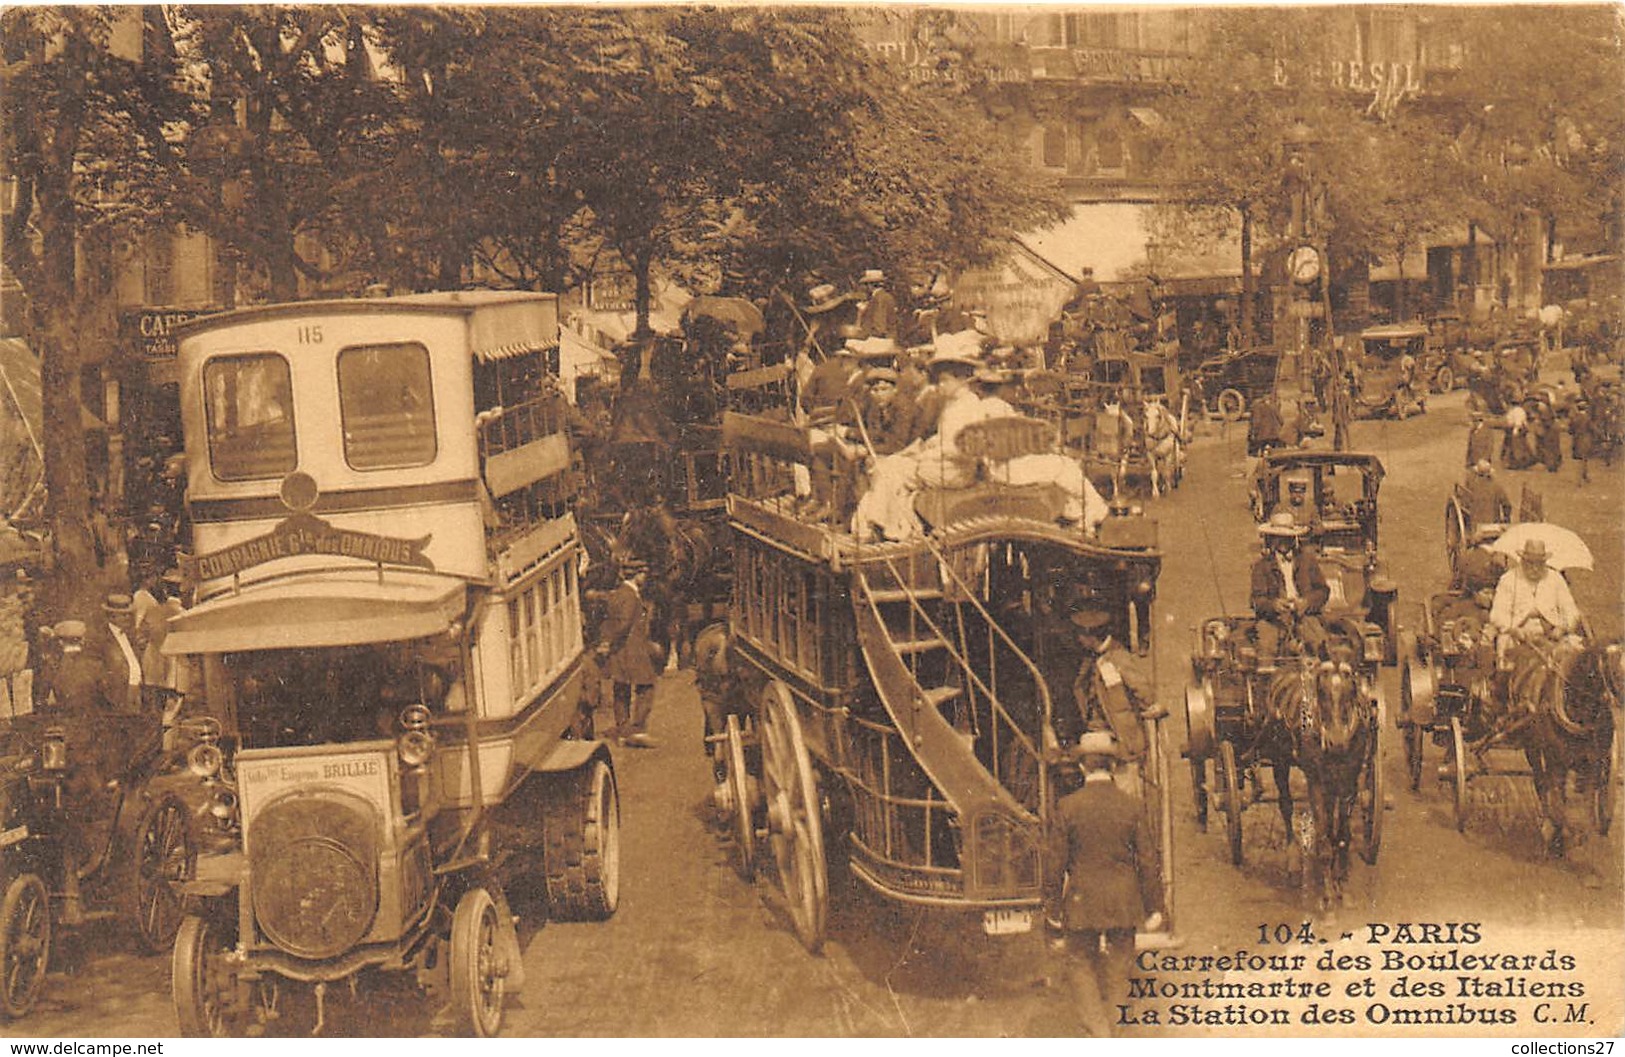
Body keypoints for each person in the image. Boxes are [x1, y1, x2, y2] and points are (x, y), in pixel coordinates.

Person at [1044, 731, 1162, 1037]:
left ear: (1083, 767)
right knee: (1121, 961)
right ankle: (1117, 1027)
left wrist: (1053, 910)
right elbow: (1148, 861)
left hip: (1082, 901)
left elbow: (1055, 864)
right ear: (1112, 767)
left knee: (1079, 960)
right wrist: (1154, 908)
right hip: (1124, 900)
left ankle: (1098, 1030)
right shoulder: (1132, 806)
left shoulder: (1067, 807)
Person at [1057, 607, 1156, 761]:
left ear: (1091, 636)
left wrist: (1147, 708)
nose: (1079, 640)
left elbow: (1144, 691)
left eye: (1081, 636)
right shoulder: (1090, 660)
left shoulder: (1118, 657)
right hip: (1097, 730)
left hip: (1119, 736)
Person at [1250, 512, 1330, 669]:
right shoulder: (1261, 566)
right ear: (1271, 540)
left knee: (1321, 644)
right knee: (1266, 648)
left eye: (1286, 537)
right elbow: (1256, 600)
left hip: (1305, 616)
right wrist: (1274, 605)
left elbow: (1323, 591)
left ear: (1294, 538)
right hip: (1273, 620)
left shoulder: (1308, 560)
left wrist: (1306, 602)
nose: (1282, 542)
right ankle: (1266, 688)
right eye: (1277, 537)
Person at [597, 559, 660, 748]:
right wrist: (611, 641)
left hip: (620, 651)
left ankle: (623, 731)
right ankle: (638, 731)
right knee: (646, 687)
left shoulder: (618, 594)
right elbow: (624, 623)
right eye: (643, 574)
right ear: (636, 575)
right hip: (633, 650)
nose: (645, 577)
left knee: (621, 689)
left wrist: (607, 642)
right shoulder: (631, 596)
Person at [1488, 538, 1581, 648]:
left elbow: (1571, 610)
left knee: (1575, 649)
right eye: (1530, 563)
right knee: (1504, 645)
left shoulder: (1555, 578)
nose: (1535, 568)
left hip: (1551, 634)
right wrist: (1513, 629)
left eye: (1539, 563)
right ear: (1522, 560)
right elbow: (1498, 614)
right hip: (1518, 634)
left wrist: (1562, 628)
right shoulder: (1509, 579)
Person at [1460, 459, 1511, 528]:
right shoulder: (1497, 486)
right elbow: (1507, 504)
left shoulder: (1471, 486)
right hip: (1493, 525)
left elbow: (1465, 504)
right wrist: (1506, 519)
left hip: (1474, 525)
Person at [856, 269, 897, 339]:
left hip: (881, 340)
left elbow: (880, 326)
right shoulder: (880, 296)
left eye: (866, 284)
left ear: (871, 285)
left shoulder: (879, 298)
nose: (865, 288)